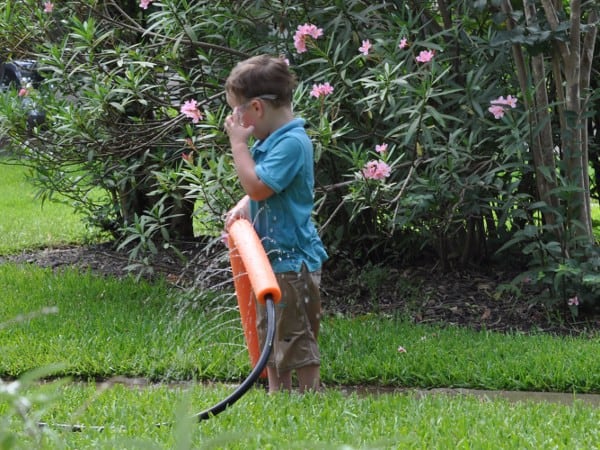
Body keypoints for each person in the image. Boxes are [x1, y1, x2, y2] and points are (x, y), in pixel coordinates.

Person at [223, 54, 328, 393]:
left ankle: (310, 395)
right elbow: (265, 190)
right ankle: (277, 395)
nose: (234, 120)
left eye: (237, 111)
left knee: (294, 336)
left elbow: (257, 184)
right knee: (273, 332)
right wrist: (245, 204)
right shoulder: (273, 142)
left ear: (256, 108)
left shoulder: (292, 143)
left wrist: (238, 145)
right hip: (275, 260)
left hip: (291, 261)